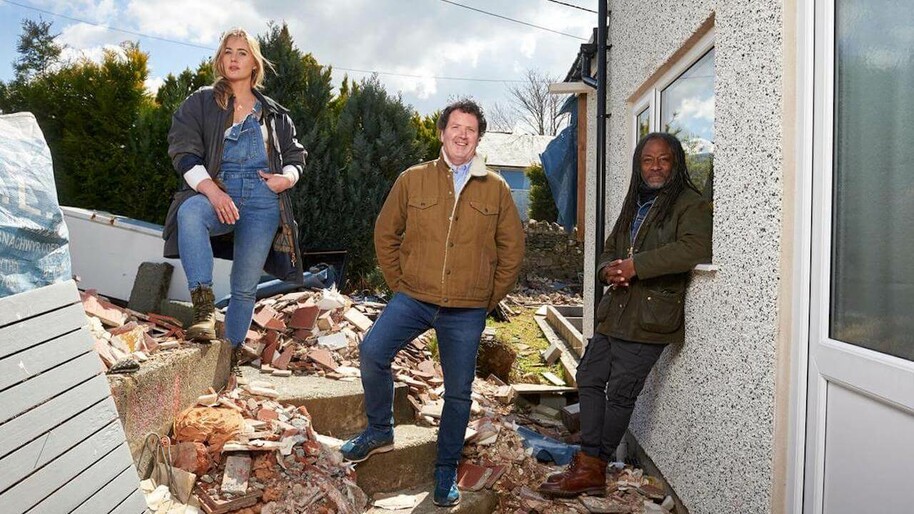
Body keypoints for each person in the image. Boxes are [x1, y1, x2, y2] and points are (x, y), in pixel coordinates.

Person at [340, 99, 525, 507]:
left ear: (478, 138)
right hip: (415, 298)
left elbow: (511, 252)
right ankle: (379, 429)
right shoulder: (413, 179)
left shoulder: (495, 187)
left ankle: (444, 470)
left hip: (467, 309)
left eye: (470, 130)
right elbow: (386, 233)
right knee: (372, 351)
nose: (462, 135)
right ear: (442, 133)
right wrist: (399, 283)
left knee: (458, 392)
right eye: (455, 127)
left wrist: (485, 298)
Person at [538, 132, 712, 497]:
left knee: (620, 392)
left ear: (676, 162)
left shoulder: (689, 203)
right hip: (616, 310)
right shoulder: (636, 202)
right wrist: (607, 271)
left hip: (651, 317)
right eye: (648, 160)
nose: (655, 167)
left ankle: (592, 468)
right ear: (639, 165)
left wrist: (636, 267)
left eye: (663, 159)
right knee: (589, 375)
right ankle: (589, 463)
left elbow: (693, 248)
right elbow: (609, 248)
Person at [162, 28, 306, 369]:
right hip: (219, 190)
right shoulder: (201, 102)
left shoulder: (274, 113)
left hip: (262, 199)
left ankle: (230, 356)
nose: (234, 58)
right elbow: (182, 152)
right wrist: (211, 190)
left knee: (244, 286)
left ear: (254, 63)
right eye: (228, 51)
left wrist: (286, 178)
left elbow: (296, 156)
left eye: (242, 52)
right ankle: (203, 309)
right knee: (191, 214)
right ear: (220, 59)